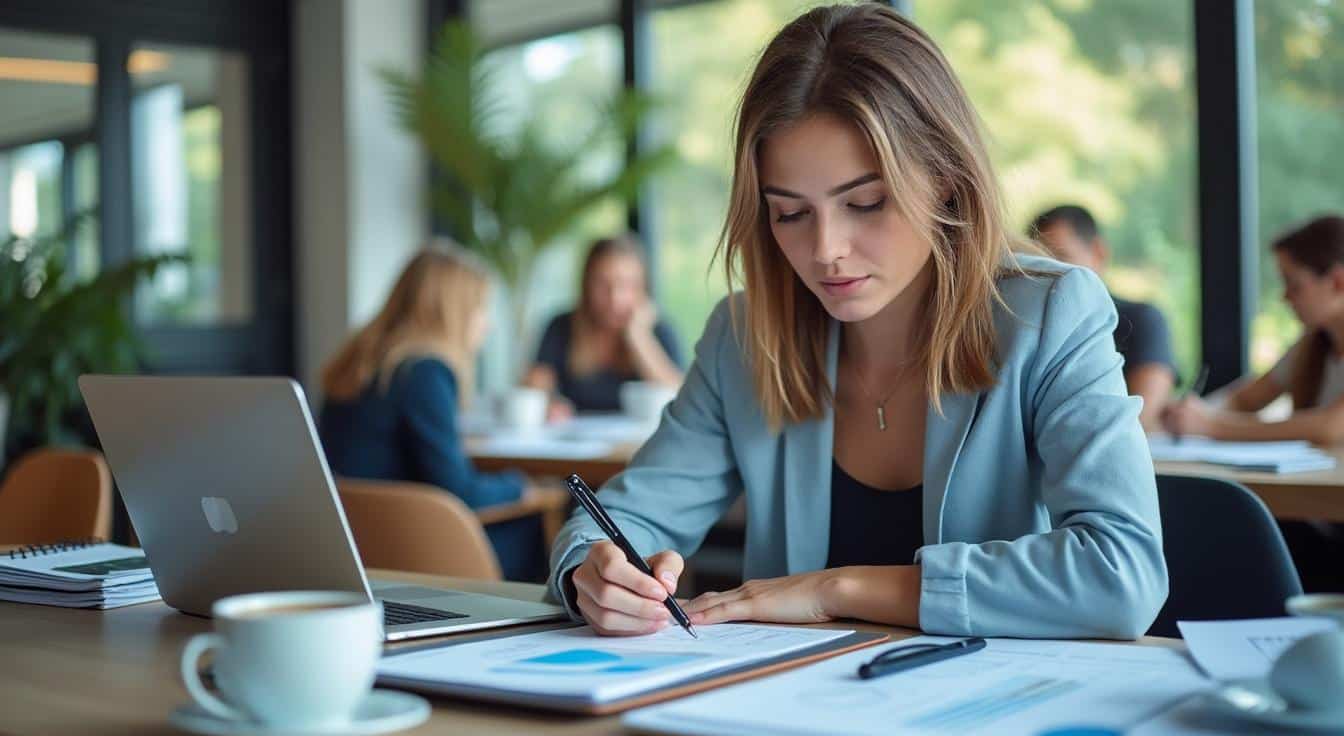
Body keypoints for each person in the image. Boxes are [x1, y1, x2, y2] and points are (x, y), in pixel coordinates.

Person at [547, 4, 1166, 640]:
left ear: (946, 181)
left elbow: (1121, 573)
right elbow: (616, 520)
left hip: (992, 715)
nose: (825, 251)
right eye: (790, 213)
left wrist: (835, 589)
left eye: (865, 203)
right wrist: (590, 577)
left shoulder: (1051, 312)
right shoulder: (744, 337)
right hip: (789, 720)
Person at [318, 242, 547, 582]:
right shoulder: (425, 371)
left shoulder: (358, 360)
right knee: (540, 524)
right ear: (451, 312)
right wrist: (520, 486)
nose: (488, 325)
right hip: (419, 552)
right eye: (480, 309)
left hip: (359, 546)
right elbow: (459, 490)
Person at [1164, 215, 1344, 444]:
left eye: (1293, 284)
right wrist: (1193, 413)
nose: (1285, 297)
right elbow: (1245, 401)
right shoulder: (1314, 345)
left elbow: (1330, 427)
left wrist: (1211, 426)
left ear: (1338, 281)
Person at [1030, 204, 1177, 432]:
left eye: (1062, 258)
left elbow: (1140, 419)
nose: (1051, 274)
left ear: (1099, 252)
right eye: (1038, 263)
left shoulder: (1141, 320)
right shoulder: (1028, 330)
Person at [523, 236, 683, 416]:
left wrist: (639, 337)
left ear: (643, 287)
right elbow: (535, 388)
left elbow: (680, 398)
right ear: (586, 284)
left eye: (626, 284)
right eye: (602, 284)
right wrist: (550, 403)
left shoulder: (659, 330)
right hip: (576, 438)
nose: (615, 298)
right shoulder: (561, 326)